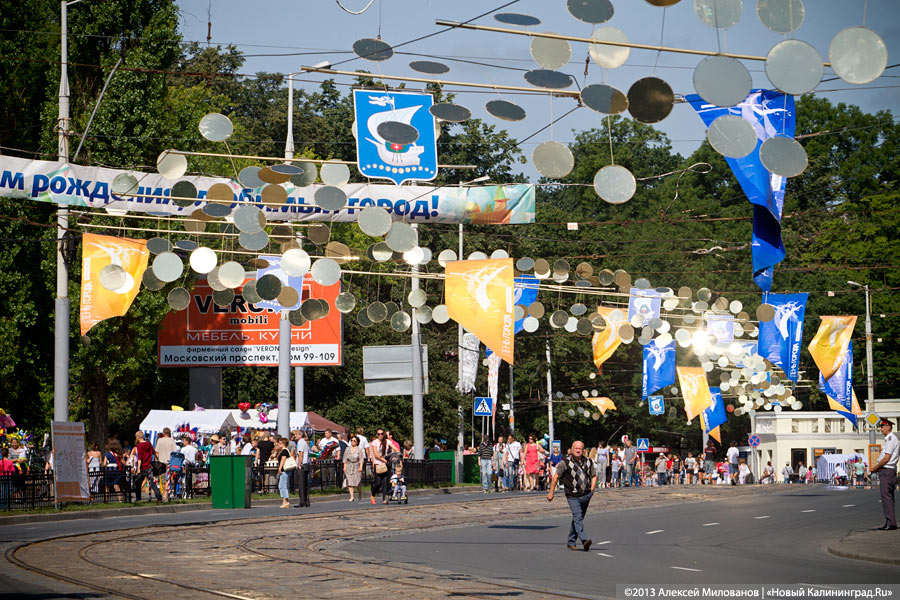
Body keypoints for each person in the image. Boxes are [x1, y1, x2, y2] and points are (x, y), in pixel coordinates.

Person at [547, 441, 597, 552]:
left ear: (583, 450)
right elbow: (555, 478)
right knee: (578, 517)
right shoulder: (565, 463)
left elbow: (594, 476)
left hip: (586, 495)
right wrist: (551, 492)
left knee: (578, 518)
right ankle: (584, 540)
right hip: (572, 496)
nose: (578, 450)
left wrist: (592, 490)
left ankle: (571, 542)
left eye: (580, 448)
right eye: (576, 448)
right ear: (572, 449)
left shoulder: (589, 462)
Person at [870, 419, 898, 530]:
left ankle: (891, 523)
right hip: (888, 470)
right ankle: (889, 521)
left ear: (888, 427)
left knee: (886, 497)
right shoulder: (889, 439)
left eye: (882, 426)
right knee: (888, 497)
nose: (880, 428)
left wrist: (876, 467)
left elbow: (886, 458)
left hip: (887, 470)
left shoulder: (891, 439)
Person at [131, 431, 162, 502]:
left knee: (138, 482)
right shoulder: (148, 443)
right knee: (152, 482)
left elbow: (140, 458)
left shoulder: (139, 446)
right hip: (149, 466)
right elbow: (154, 452)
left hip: (143, 467)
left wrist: (138, 468)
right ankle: (158, 496)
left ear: (138, 437)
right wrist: (157, 459)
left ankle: (138, 498)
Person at [369, 429, 391, 504]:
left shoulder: (387, 441)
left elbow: (395, 448)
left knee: (385, 482)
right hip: (377, 464)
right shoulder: (375, 442)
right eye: (378, 434)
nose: (380, 435)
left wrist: (397, 454)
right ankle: (372, 494)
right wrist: (385, 461)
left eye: (381, 433)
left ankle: (384, 499)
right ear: (377, 435)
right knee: (378, 482)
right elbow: (376, 455)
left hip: (385, 465)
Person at [343, 435, 364, 501]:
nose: (353, 442)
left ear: (357, 442)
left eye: (354, 441)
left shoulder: (359, 449)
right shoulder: (347, 449)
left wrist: (360, 467)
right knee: (350, 482)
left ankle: (360, 492)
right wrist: (344, 467)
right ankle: (351, 496)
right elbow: (345, 459)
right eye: (351, 440)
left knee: (356, 482)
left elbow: (361, 459)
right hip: (349, 466)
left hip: (356, 466)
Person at [294, 431, 311, 508]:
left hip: (302, 465)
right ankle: (306, 501)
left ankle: (302, 501)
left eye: (296, 434)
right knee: (305, 484)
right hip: (306, 464)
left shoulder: (300, 442)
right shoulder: (304, 442)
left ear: (300, 435)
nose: (295, 436)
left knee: (301, 484)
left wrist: (299, 464)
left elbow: (301, 454)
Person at [274, 437, 292, 509]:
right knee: (281, 485)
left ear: (284, 444)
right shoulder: (282, 451)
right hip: (284, 470)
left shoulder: (284, 451)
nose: (278, 444)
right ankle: (285, 501)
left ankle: (285, 501)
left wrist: (279, 468)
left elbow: (283, 460)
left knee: (283, 486)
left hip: (284, 470)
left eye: (280, 443)